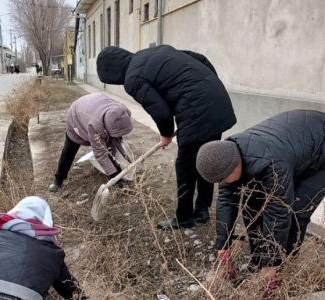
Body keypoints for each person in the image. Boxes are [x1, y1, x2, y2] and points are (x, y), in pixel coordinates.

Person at [96, 45, 236, 229]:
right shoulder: (154, 51)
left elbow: (161, 111)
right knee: (205, 156)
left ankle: (184, 218)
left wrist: (166, 133)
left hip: (197, 110)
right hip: (217, 99)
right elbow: (200, 59)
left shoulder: (133, 79)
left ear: (112, 74)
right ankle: (202, 209)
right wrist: (208, 86)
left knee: (185, 164)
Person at [196, 110, 325, 277]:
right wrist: (223, 244)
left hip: (320, 150)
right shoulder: (226, 156)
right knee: (253, 207)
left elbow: (278, 213)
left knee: (296, 211)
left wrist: (271, 263)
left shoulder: (270, 165)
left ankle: (284, 268)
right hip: (293, 144)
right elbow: (226, 201)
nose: (222, 184)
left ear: (235, 166)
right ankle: (257, 262)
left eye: (223, 179)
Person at [49, 93, 133, 192]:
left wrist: (126, 161)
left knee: (111, 145)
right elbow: (100, 154)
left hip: (93, 106)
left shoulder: (122, 111)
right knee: (69, 151)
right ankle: (58, 180)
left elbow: (116, 141)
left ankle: (118, 171)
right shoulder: (95, 125)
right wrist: (115, 179)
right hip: (76, 116)